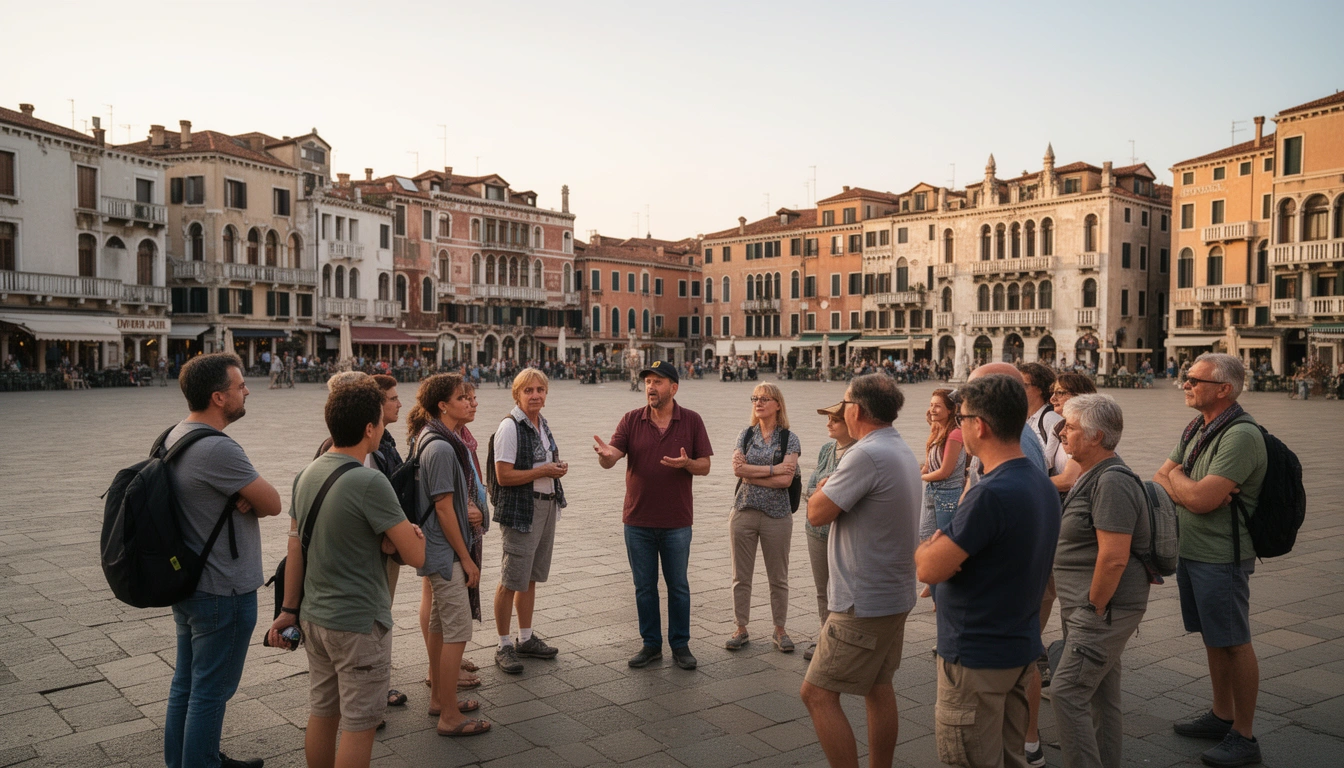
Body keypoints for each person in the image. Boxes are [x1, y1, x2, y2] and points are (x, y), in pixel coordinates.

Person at [267, 379, 429, 765]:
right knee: (360, 723)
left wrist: (289, 609)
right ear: (370, 428)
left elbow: (295, 547)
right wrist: (409, 536)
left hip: (315, 617)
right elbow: (415, 555)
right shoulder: (369, 480)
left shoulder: (306, 475)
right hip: (357, 622)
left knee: (323, 713)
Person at [915, 373, 1060, 768]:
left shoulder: (989, 493)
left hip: (977, 654)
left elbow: (928, 566)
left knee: (971, 758)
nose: (958, 426)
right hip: (1018, 647)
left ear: (979, 425)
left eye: (960, 418)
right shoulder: (1040, 481)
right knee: (1011, 756)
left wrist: (933, 545)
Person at [162, 353, 282, 768]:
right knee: (211, 691)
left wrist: (240, 495)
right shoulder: (217, 448)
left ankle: (189, 760)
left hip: (191, 584)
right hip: (223, 588)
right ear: (218, 397)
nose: (247, 390)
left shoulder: (175, 434)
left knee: (187, 684)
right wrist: (246, 495)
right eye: (240, 385)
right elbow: (273, 502)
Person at [799, 374, 921, 768]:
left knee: (816, 694)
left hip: (861, 602)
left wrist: (824, 483)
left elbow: (817, 511)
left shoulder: (864, 454)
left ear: (857, 410)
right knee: (878, 686)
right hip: (892, 593)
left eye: (845, 401)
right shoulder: (896, 446)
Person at [1153, 353, 1267, 767]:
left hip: (1223, 555)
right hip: (1194, 550)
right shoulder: (1198, 426)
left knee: (1235, 642)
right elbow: (1158, 476)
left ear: (1224, 389)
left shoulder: (1239, 435)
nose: (1185, 383)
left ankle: (1245, 736)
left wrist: (1180, 479)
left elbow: (1200, 499)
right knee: (1214, 637)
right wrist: (1185, 482)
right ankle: (1223, 714)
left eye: (1194, 379)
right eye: (1186, 377)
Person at [1052, 395, 1151, 768]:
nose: (1061, 432)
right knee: (1101, 692)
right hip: (1090, 605)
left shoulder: (1111, 482)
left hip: (1102, 609)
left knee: (1066, 692)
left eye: (1071, 427)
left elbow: (1113, 557)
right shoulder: (1091, 474)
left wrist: (1093, 607)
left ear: (1096, 436)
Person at [593, 359, 712, 671]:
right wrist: (606, 458)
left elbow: (705, 466)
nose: (650, 387)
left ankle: (680, 644)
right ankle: (650, 644)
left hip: (676, 521)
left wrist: (688, 464)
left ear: (673, 388)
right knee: (644, 586)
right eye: (647, 381)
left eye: (658, 382)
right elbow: (613, 457)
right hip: (638, 520)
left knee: (678, 586)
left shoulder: (692, 421)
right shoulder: (632, 420)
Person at [403, 373, 492, 737]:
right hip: (445, 552)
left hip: (438, 551)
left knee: (441, 626)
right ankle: (449, 716)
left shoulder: (438, 438)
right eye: (461, 397)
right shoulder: (440, 446)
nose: (469, 402)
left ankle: (440, 699)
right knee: (458, 631)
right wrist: (466, 558)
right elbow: (443, 509)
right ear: (443, 405)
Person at [489, 368, 568, 674]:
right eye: (528, 390)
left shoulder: (541, 425)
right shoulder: (510, 427)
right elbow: (503, 475)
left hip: (546, 507)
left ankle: (525, 637)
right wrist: (544, 471)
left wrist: (555, 468)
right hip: (522, 509)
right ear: (517, 394)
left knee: (530, 576)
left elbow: (541, 464)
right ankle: (504, 643)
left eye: (540, 390)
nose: (535, 395)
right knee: (511, 578)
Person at [726, 382, 802, 653]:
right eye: (755, 398)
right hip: (743, 511)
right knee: (740, 576)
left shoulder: (789, 439)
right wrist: (774, 468)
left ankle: (780, 629)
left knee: (778, 577)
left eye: (765, 399)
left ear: (778, 405)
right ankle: (740, 627)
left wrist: (753, 472)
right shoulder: (745, 435)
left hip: (777, 515)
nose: (758, 403)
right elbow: (738, 471)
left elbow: (786, 481)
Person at [802, 401, 856, 661]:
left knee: (844, 588)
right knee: (822, 588)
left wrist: (824, 493)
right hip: (816, 530)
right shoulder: (827, 449)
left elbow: (849, 498)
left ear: (850, 423)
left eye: (834, 420)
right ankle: (825, 635)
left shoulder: (857, 453)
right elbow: (810, 488)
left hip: (844, 534)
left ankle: (842, 638)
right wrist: (823, 492)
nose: (829, 424)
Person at [919, 388, 966, 540]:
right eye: (931, 405)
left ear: (951, 409)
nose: (932, 409)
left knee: (944, 540)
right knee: (925, 536)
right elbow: (928, 467)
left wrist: (920, 478)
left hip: (949, 495)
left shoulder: (955, 434)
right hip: (932, 491)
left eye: (937, 406)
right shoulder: (936, 430)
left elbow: (945, 471)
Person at [1047, 373, 1098, 497]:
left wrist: (1025, 484)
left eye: (1059, 393)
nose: (1052, 399)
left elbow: (1067, 481)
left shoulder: (1087, 428)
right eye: (1052, 393)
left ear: (1079, 395)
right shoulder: (1058, 426)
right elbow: (1046, 463)